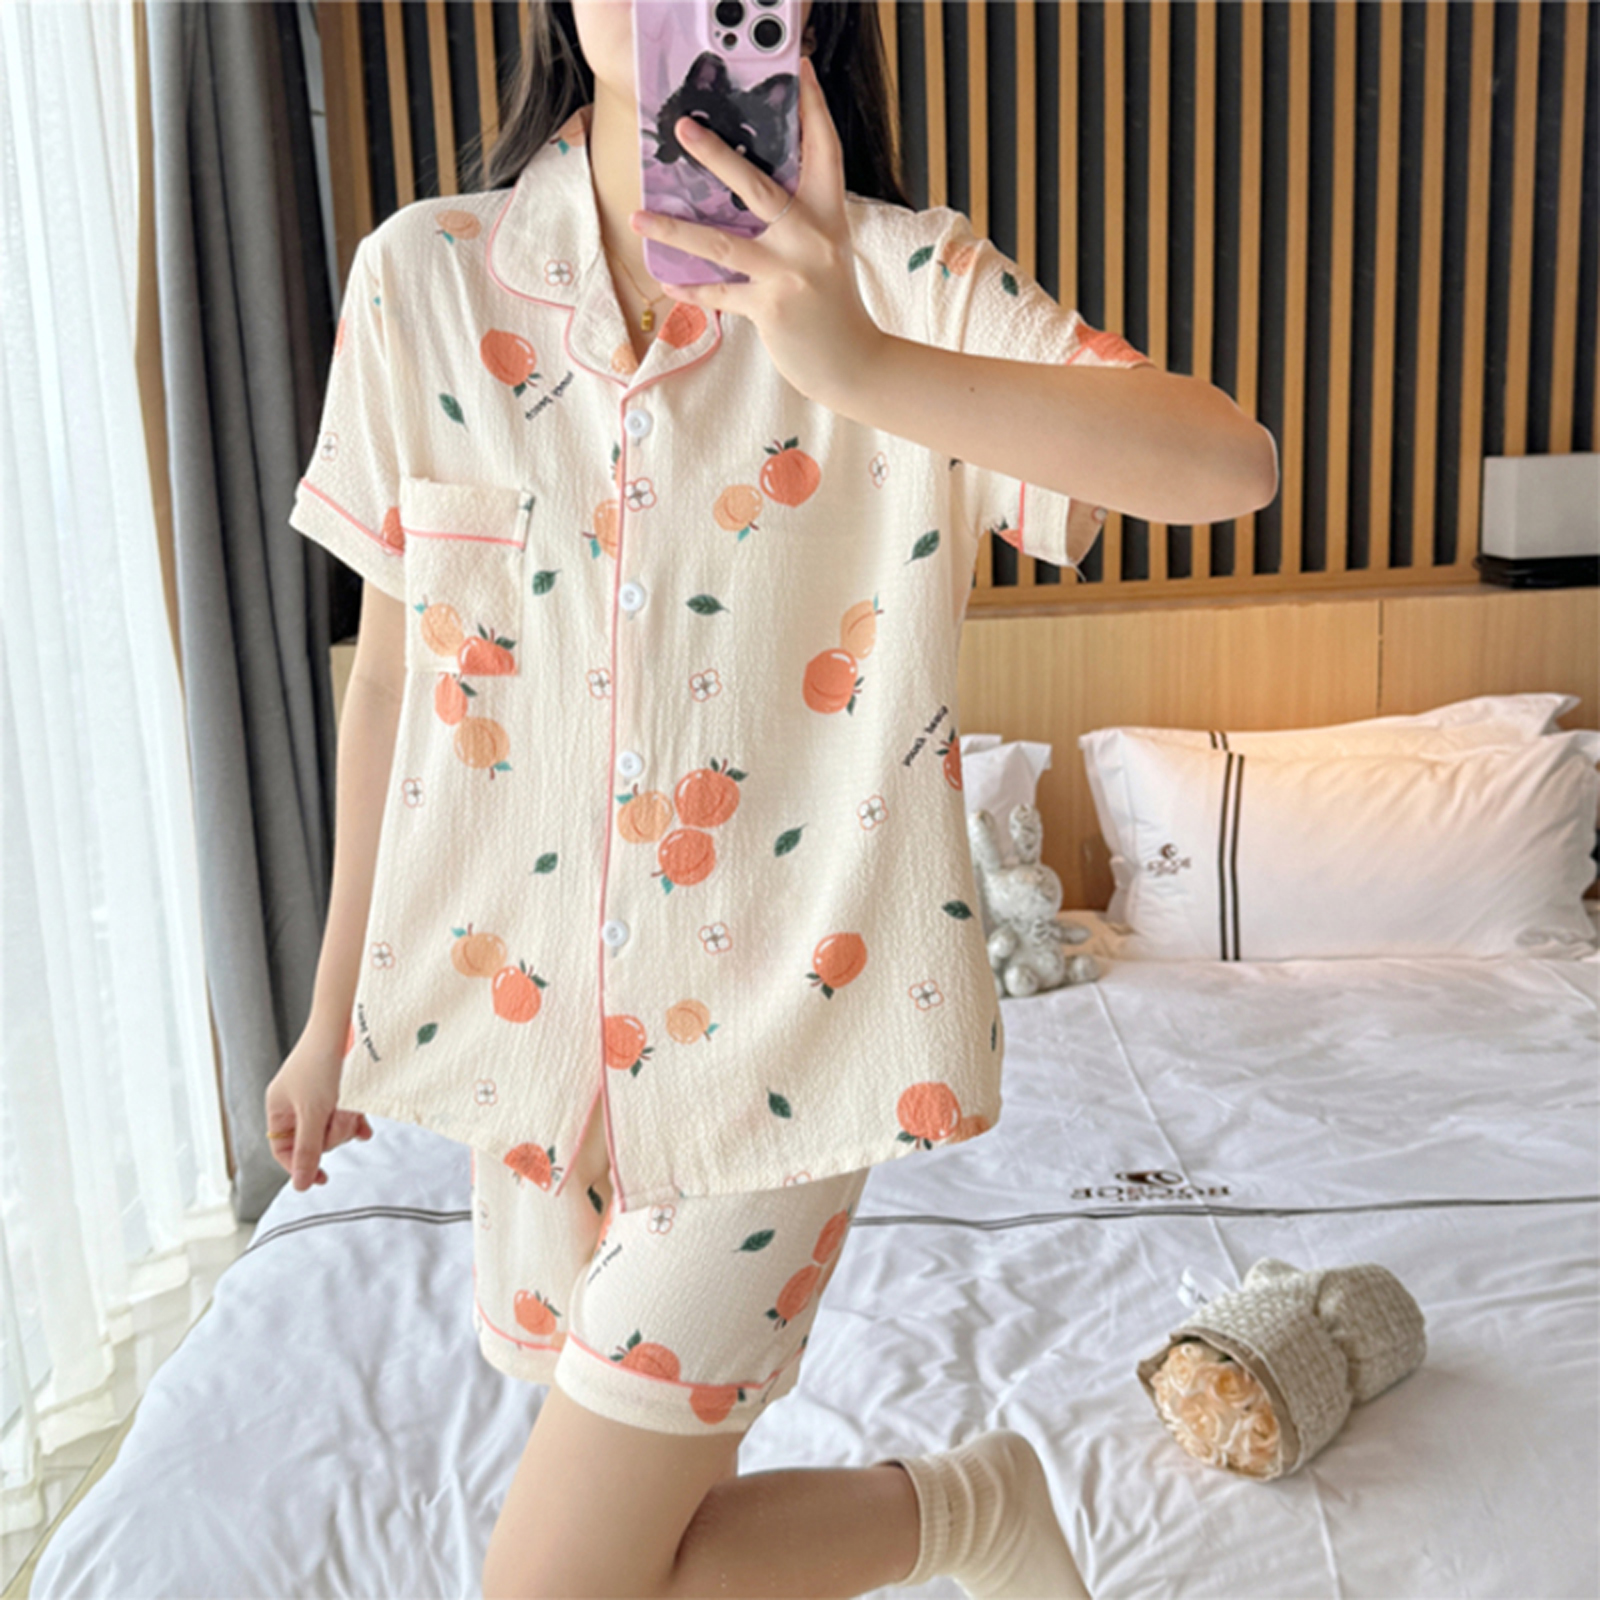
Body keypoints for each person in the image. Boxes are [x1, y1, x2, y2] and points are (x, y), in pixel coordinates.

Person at [268, 2, 1278, 1596]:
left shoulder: (901, 278)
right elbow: (395, 681)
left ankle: (966, 1514)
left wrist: (861, 363)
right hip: (526, 1045)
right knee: (656, 1545)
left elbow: (1230, 467)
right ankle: (980, 1503)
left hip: (789, 1040)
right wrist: (332, 1016)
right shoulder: (424, 278)